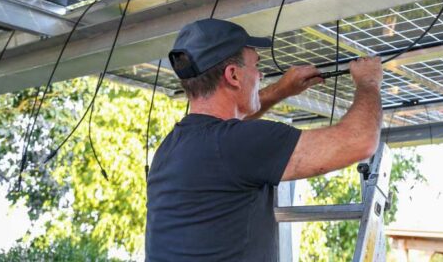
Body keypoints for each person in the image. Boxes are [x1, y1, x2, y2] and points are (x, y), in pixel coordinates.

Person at [145, 18, 383, 261]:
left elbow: (231, 135)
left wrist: (281, 90)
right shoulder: (237, 144)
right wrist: (369, 81)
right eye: (256, 65)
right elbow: (360, 140)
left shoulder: (172, 147)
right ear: (233, 75)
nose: (260, 75)